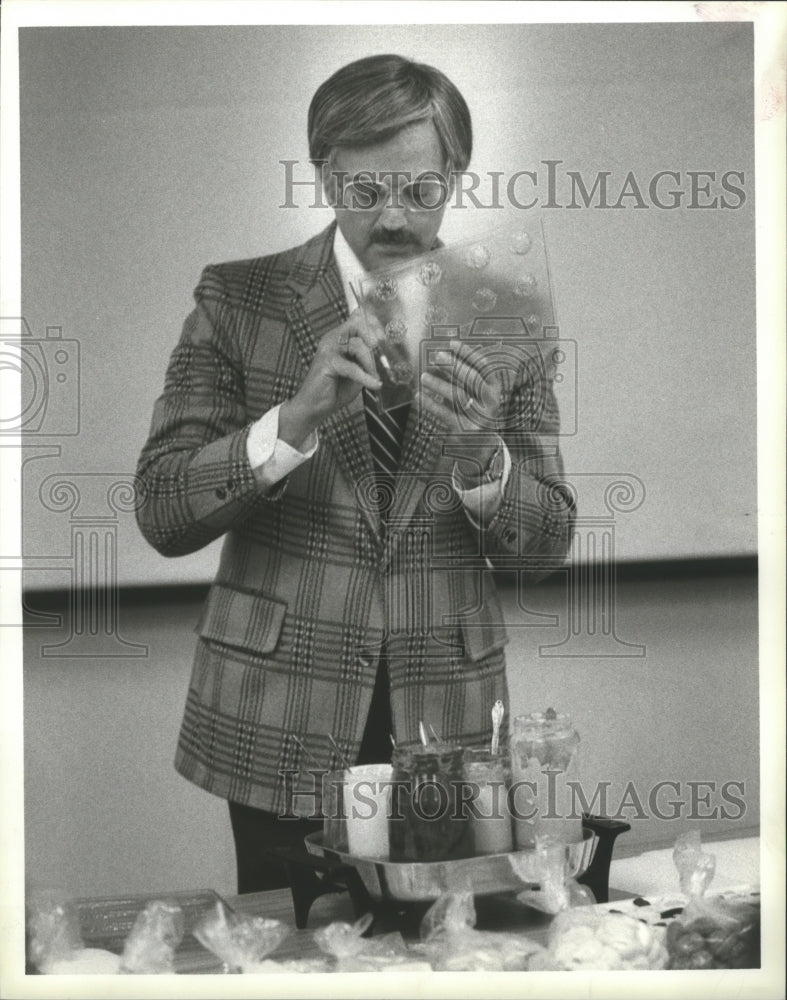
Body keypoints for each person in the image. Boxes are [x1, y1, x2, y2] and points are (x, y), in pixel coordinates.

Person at [135, 54, 574, 893]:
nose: (397, 218)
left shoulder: (506, 308)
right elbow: (161, 509)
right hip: (276, 708)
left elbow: (545, 544)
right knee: (295, 950)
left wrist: (484, 458)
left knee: (448, 946)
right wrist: (292, 420)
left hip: (444, 713)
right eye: (366, 192)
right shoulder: (239, 301)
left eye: (420, 189)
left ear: (455, 175)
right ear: (323, 176)